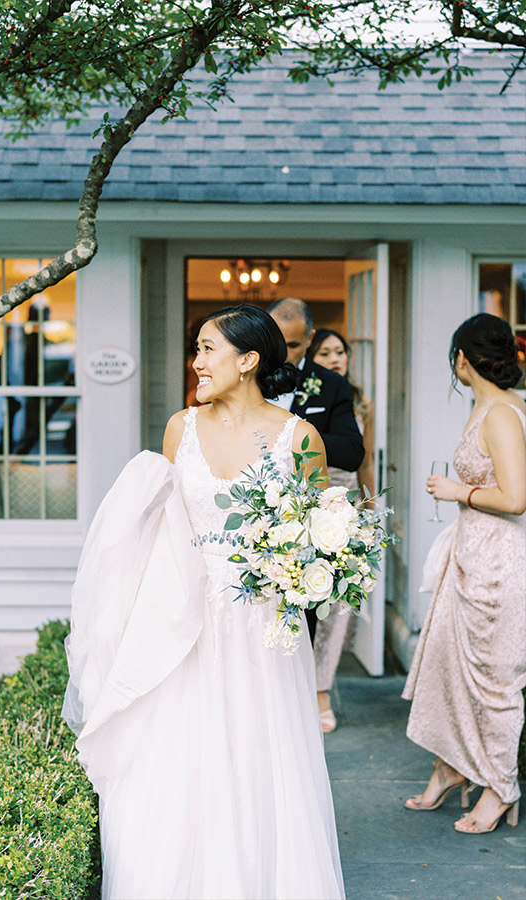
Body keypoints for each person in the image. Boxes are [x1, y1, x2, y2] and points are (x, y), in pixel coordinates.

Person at [62, 304, 345, 899]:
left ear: (247, 361)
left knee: (256, 757)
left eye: (207, 349)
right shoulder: (179, 428)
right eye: (196, 349)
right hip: (179, 619)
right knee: (174, 760)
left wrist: (295, 568)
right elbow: (154, 531)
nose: (196, 362)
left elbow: (320, 535)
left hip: (261, 627)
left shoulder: (300, 438)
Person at [402, 312, 526, 834]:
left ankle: (500, 786)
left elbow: (516, 499)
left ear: (461, 359)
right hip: (471, 556)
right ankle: (452, 765)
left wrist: (459, 492)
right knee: (450, 665)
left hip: (499, 563)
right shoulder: (485, 408)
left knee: (496, 679)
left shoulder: (501, 413)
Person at [268, 298, 364, 648]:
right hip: (253, 522)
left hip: (302, 531)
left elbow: (353, 453)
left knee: (297, 639)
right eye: (275, 341)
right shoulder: (246, 375)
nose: (282, 352)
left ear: (309, 339)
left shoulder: (331, 385)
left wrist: (295, 438)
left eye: (292, 345)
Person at [307, 328, 375, 732]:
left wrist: (368, 506)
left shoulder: (359, 402)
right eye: (326, 352)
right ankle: (301, 687)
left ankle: (322, 688)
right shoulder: (305, 395)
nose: (335, 358)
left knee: (338, 605)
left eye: (341, 352)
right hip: (308, 496)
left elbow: (363, 457)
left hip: (347, 498)